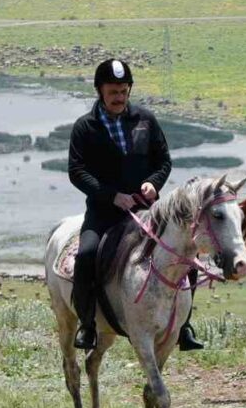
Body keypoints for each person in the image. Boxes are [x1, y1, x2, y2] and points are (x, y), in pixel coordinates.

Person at [67, 59, 202, 352]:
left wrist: (154, 183)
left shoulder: (145, 119)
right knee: (87, 255)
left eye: (123, 90)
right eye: (113, 91)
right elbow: (77, 172)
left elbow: (163, 160)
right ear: (100, 90)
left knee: (187, 251)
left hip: (146, 210)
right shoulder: (84, 128)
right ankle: (88, 324)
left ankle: (185, 324)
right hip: (104, 212)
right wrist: (111, 195)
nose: (119, 97)